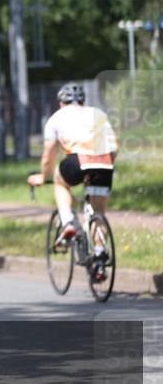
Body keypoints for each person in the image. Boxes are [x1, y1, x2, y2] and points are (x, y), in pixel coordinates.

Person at [28, 83, 118, 278]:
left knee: (60, 182)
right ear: (83, 101)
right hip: (104, 162)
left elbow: (48, 155)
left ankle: (68, 222)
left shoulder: (56, 118)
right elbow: (114, 147)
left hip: (77, 160)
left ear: (61, 103)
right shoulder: (98, 114)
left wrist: (43, 177)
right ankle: (100, 257)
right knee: (98, 213)